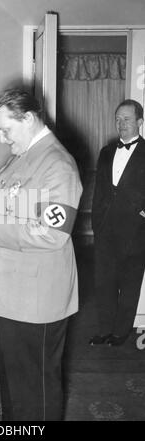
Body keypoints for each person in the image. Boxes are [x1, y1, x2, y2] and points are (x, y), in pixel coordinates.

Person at [0, 89, 82, 421]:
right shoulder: (27, 155)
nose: (1, 137)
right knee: (15, 388)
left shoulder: (57, 164)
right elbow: (7, 189)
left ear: (28, 119)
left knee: (35, 393)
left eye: (5, 129)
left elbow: (52, 232)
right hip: (13, 297)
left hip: (34, 303)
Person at [90, 99, 145, 347]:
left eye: (127, 119)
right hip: (105, 230)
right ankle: (103, 330)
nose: (121, 124)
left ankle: (121, 332)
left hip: (135, 232)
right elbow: (100, 191)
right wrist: (96, 222)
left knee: (130, 285)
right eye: (118, 119)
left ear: (140, 123)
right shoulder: (106, 151)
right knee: (104, 283)